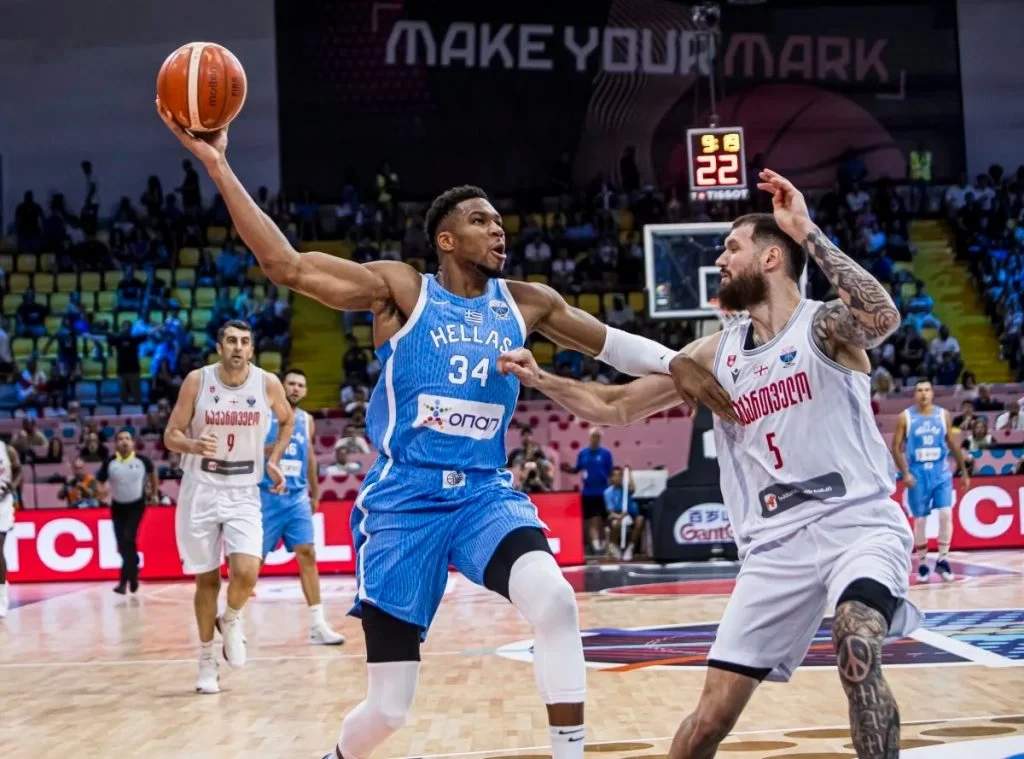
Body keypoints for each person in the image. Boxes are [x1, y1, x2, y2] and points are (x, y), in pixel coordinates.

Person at [155, 100, 735, 759]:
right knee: (389, 708)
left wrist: (680, 363)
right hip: (405, 501)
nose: (498, 230)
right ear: (446, 240)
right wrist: (219, 165)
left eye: (499, 221)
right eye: (480, 221)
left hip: (485, 494)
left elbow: (614, 347)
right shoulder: (403, 291)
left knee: (555, 601)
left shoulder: (527, 302)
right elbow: (286, 265)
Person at [497, 169, 924, 759]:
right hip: (773, 548)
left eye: (731, 247)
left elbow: (883, 319)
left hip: (858, 525)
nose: (719, 259)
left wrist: (809, 231)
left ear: (771, 257)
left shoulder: (823, 327)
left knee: (855, 638)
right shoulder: (713, 353)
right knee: (707, 722)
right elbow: (616, 406)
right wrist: (542, 379)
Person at [163, 320, 292, 694]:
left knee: (247, 572)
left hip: (244, 489)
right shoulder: (197, 381)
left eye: (245, 342)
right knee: (206, 580)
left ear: (252, 349)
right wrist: (191, 445)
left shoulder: (267, 383)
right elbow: (170, 434)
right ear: (219, 347)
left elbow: (288, 420)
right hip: (201, 489)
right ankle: (206, 660)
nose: (238, 347)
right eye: (231, 341)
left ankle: (231, 618)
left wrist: (274, 459)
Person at [259, 368, 345, 645]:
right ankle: (231, 620)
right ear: (282, 387)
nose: (296, 388)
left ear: (305, 391)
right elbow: (248, 450)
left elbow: (309, 455)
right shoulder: (264, 414)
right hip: (266, 495)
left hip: (296, 497)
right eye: (291, 384)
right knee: (251, 563)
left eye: (300, 385)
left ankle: (318, 624)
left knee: (307, 553)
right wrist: (271, 450)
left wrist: (315, 492)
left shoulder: (307, 419)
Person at [891, 380, 969, 583]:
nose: (923, 394)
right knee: (920, 520)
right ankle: (924, 563)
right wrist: (905, 473)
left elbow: (952, 443)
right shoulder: (905, 417)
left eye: (927, 390)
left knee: (946, 513)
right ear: (915, 394)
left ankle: (943, 559)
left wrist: (964, 470)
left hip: (940, 471)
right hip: (918, 473)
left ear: (932, 393)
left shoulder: (943, 415)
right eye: (919, 390)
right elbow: (895, 447)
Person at [96, 429, 159, 594]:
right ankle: (133, 571)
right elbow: (99, 481)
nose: (124, 442)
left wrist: (153, 494)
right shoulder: (110, 462)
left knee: (128, 537)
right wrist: (101, 491)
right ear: (116, 444)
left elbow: (153, 474)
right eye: (120, 439)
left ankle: (124, 582)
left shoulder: (142, 460)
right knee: (123, 544)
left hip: (136, 506)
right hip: (117, 507)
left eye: (127, 438)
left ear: (132, 442)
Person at [0, 442, 23, 617]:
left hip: (2, 504)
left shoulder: (7, 449)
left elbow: (19, 470)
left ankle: (1, 597)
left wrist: (12, 485)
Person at [604, 466, 643, 561]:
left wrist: (629, 473)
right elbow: (610, 512)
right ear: (611, 478)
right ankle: (613, 545)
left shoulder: (626, 489)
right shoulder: (608, 492)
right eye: (615, 475)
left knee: (640, 520)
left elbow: (633, 489)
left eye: (620, 475)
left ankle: (630, 548)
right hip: (616, 515)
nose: (617, 478)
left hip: (629, 514)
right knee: (616, 523)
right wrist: (620, 516)